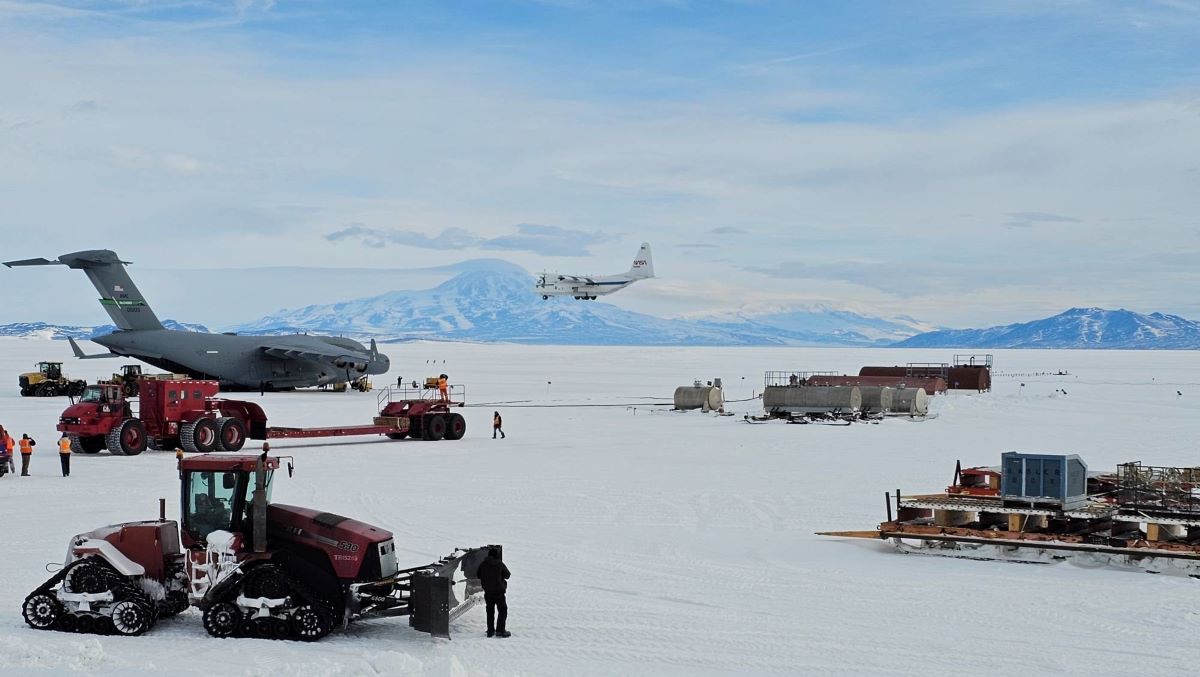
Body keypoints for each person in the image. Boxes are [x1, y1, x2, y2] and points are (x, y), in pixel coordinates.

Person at [476, 547, 511, 638]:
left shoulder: (483, 564)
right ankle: (500, 631)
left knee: (490, 611)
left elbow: (478, 575)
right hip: (499, 592)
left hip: (488, 592)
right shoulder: (499, 564)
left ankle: (490, 631)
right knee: (503, 610)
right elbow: (508, 575)